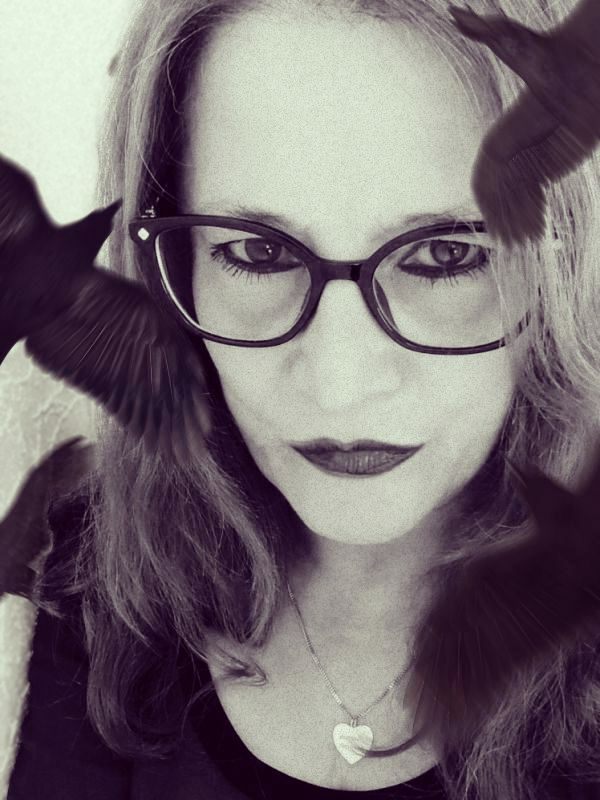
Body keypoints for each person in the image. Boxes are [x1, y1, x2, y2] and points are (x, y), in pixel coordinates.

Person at [7, 0, 600, 798]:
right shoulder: (86, 573)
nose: (338, 385)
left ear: (570, 265)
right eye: (257, 253)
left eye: (445, 255)